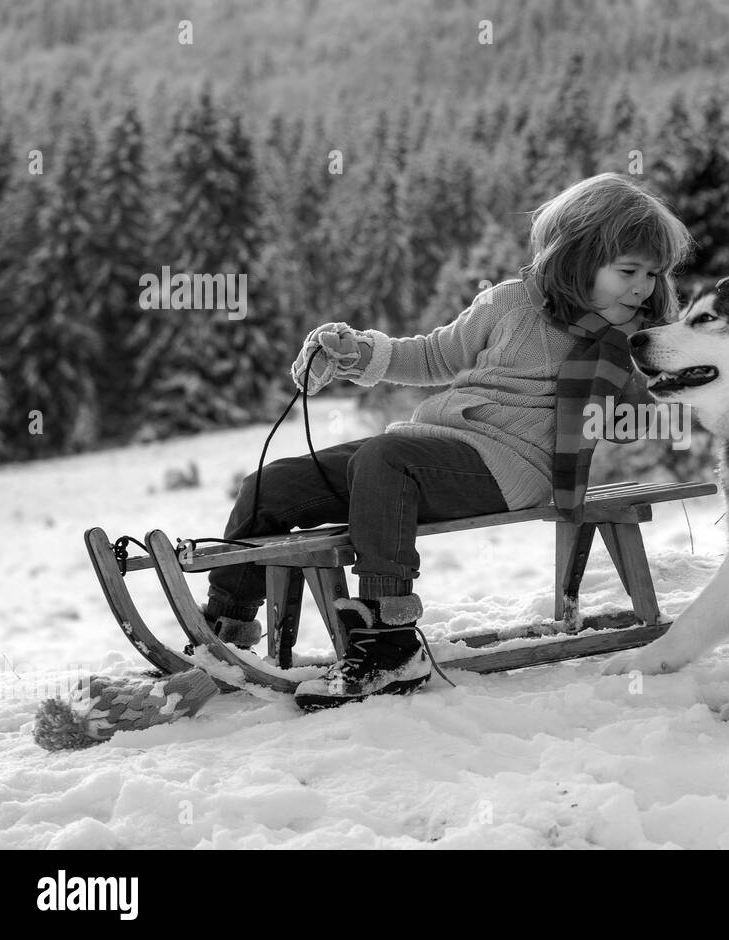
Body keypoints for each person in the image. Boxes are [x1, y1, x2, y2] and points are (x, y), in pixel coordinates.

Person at [200, 173, 694, 710]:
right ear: (575, 260)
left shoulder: (634, 342)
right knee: (269, 486)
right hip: (432, 450)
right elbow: (437, 356)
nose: (643, 287)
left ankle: (390, 643)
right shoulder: (507, 304)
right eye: (628, 271)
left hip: (512, 471)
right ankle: (223, 631)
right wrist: (356, 352)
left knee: (385, 457)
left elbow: (669, 397)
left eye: (652, 273)